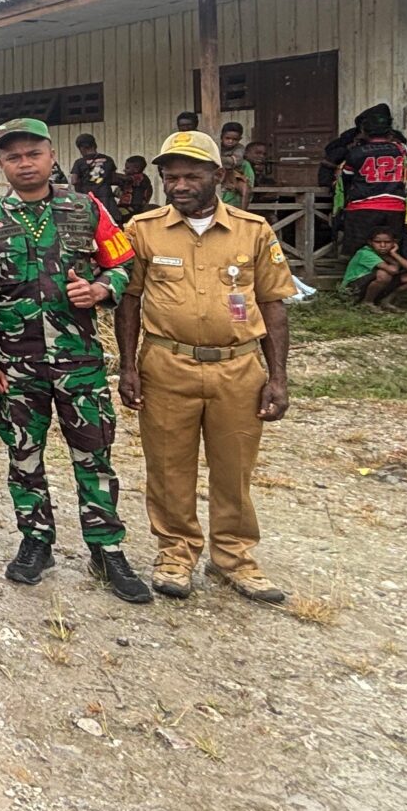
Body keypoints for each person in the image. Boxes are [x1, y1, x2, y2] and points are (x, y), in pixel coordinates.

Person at [0, 119, 151, 603]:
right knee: (24, 455)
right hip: (16, 363)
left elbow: (123, 263)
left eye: (33, 153)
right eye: (13, 157)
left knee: (94, 454)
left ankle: (106, 547)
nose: (24, 164)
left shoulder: (86, 208)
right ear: (2, 164)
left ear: (52, 157)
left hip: (79, 361)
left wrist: (101, 289)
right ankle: (36, 540)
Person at [116, 131, 295, 603]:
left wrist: (277, 378)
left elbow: (273, 304)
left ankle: (234, 557)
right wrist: (128, 366)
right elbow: (128, 300)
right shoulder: (142, 229)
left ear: (217, 175)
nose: (179, 185)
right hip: (166, 365)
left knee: (234, 467)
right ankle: (175, 552)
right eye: (170, 176)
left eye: (191, 176)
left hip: (238, 368)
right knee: (168, 466)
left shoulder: (253, 231)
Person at [333, 104, 407, 258]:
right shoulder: (403, 151)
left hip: (362, 210)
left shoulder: (355, 153)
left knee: (360, 254)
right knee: (392, 252)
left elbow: (346, 180)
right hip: (396, 209)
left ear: (364, 131)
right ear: (389, 131)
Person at [341, 227, 407, 310]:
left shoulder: (388, 253)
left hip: (370, 286)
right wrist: (394, 262)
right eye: (378, 242)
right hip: (353, 289)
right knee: (384, 274)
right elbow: (393, 270)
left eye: (387, 242)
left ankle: (386, 301)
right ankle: (367, 303)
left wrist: (394, 254)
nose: (383, 245)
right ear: (370, 242)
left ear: (394, 243)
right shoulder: (365, 253)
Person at [69, 134, 117, 209]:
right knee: (108, 215)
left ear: (81, 148)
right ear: (95, 145)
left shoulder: (79, 162)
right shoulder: (108, 159)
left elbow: (74, 181)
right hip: (106, 198)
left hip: (88, 198)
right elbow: (114, 179)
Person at [115, 156, 153, 220]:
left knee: (114, 215)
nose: (124, 170)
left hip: (133, 208)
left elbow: (126, 178)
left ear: (136, 169)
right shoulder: (131, 180)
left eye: (127, 168)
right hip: (126, 206)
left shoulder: (140, 177)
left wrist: (110, 174)